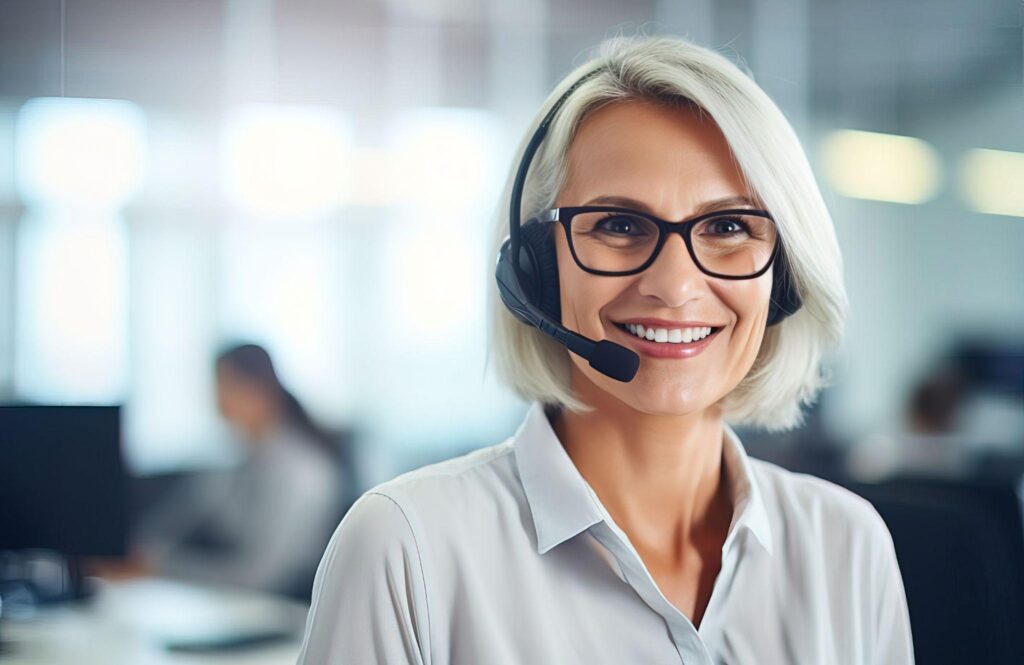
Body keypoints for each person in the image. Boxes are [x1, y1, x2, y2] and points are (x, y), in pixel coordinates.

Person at [298, 35, 914, 663]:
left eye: (728, 226)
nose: (675, 287)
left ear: (781, 278)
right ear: (535, 271)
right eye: (620, 225)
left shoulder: (848, 545)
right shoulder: (407, 548)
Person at [134, 343, 344, 598]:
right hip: (241, 605)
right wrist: (141, 554)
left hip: (283, 613)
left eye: (226, 386)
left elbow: (261, 578)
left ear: (261, 389)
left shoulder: (305, 473)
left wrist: (161, 567)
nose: (217, 401)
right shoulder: (240, 465)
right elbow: (181, 516)